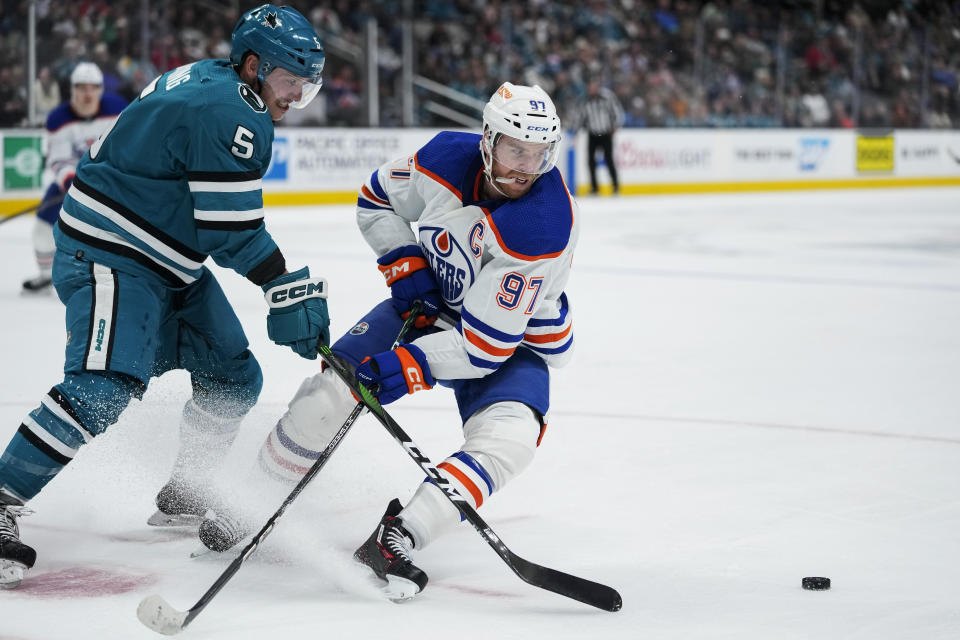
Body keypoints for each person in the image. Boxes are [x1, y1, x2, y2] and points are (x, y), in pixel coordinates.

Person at [201, 82, 579, 601]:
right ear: (487, 140)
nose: (525, 167)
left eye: (540, 154)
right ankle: (250, 497)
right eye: (516, 149)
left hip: (508, 338)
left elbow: (483, 349)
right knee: (327, 396)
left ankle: (400, 535)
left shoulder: (542, 222)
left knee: (510, 440)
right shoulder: (446, 156)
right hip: (430, 304)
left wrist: (402, 366)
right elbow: (376, 198)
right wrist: (405, 264)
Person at [0, 4, 331, 589]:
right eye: (289, 81)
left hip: (165, 260)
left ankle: (185, 491)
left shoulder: (213, 79)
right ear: (254, 66)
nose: (296, 95)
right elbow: (229, 231)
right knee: (102, 387)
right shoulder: (232, 111)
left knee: (233, 377)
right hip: (112, 256)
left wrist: (281, 283)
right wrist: (286, 285)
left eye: (307, 85)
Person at [22, 62, 128, 294]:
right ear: (72, 90)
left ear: (101, 89)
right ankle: (46, 276)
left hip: (111, 184)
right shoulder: (58, 118)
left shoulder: (118, 108)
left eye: (93, 88)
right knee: (42, 226)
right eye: (81, 88)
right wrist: (73, 182)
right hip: (73, 184)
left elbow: (127, 146)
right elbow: (58, 160)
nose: (87, 93)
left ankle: (122, 273)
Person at [579, 79, 624, 195]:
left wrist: (615, 127)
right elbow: (581, 117)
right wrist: (576, 129)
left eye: (593, 87)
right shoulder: (585, 100)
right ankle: (594, 188)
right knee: (590, 161)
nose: (591, 89)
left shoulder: (607, 97)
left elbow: (617, 112)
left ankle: (615, 186)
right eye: (590, 87)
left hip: (606, 134)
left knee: (609, 160)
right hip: (593, 134)